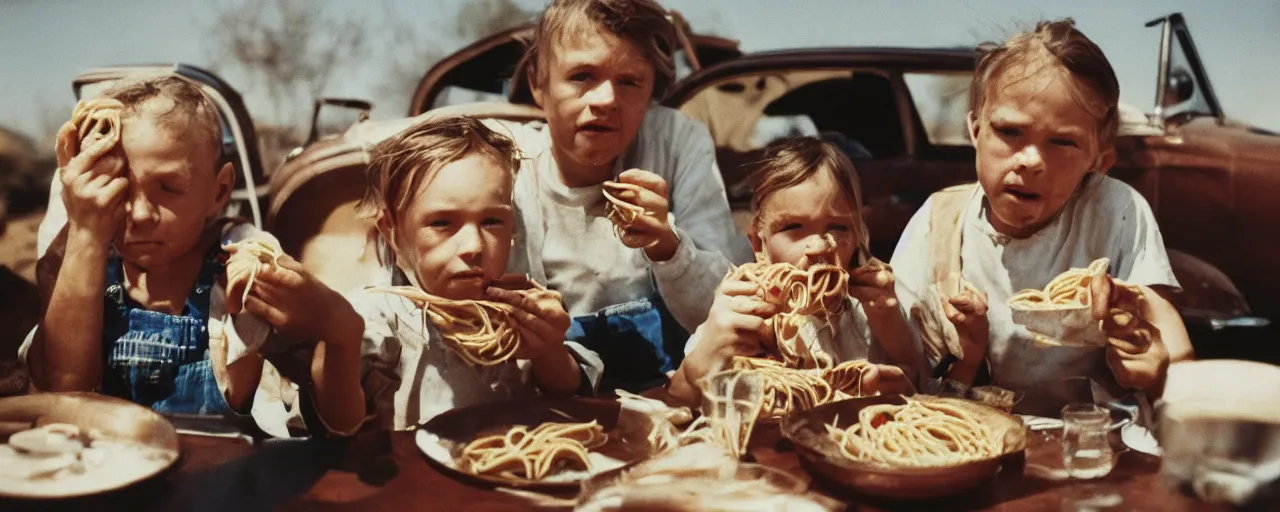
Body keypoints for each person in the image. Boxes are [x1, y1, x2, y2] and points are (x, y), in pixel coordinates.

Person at [22, 75, 363, 436]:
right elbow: (62, 389)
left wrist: (339, 329)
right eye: (115, 187)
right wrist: (87, 235)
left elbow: (336, 424)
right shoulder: (80, 260)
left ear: (219, 192)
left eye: (168, 187)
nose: (139, 214)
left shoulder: (242, 264)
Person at [890, 19, 1193, 417]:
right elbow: (899, 359)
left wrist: (1157, 375)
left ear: (1098, 161)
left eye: (1063, 142)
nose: (1031, 160)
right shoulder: (940, 220)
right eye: (1009, 131)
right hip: (967, 436)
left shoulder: (1117, 213)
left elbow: (1172, 353)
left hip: (1090, 444)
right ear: (975, 129)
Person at [465, 0, 750, 393]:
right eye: (582, 76)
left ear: (652, 91)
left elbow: (723, 310)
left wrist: (667, 246)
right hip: (551, 396)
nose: (606, 100)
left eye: (629, 81)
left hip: (677, 390)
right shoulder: (503, 162)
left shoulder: (676, 142)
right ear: (538, 83)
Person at [348, 116, 603, 430]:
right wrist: (337, 341)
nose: (473, 246)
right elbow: (333, 421)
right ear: (392, 231)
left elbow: (571, 391)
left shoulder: (519, 305)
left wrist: (548, 350)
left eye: (492, 222)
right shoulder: (375, 318)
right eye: (441, 223)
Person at [666, 137, 921, 404]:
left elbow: (919, 384)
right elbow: (677, 400)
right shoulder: (740, 311)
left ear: (857, 235)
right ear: (758, 243)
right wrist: (704, 357)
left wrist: (891, 325)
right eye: (792, 228)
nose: (818, 246)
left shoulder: (868, 314)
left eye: (837, 227)